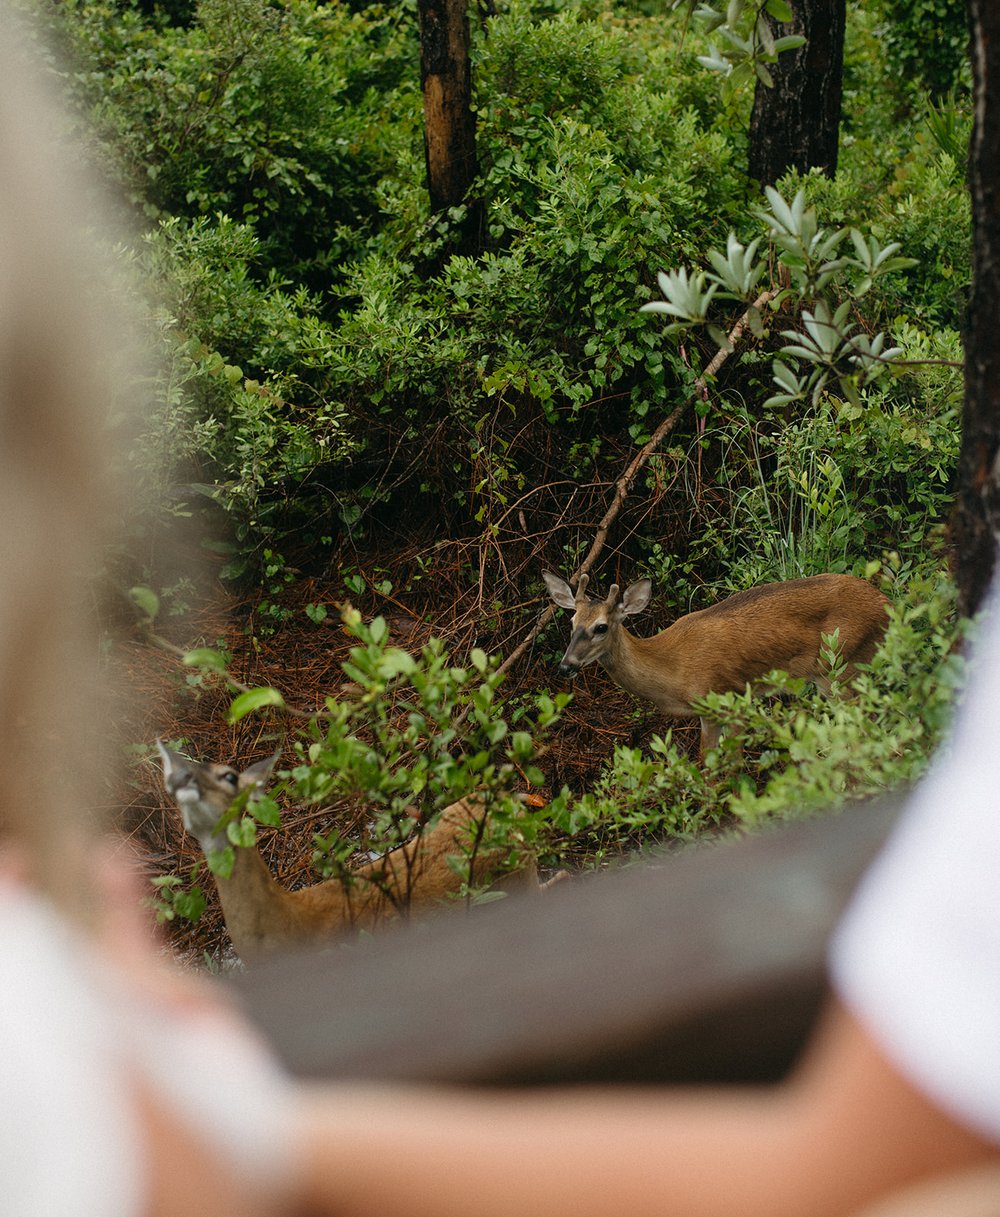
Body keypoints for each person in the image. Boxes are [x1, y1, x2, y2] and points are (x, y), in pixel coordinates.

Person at [1, 5, 998, 1216]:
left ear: (615, 614)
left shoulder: (678, 659)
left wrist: (213, 1122)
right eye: (578, 628)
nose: (584, 642)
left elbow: (840, 1160)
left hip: (827, 630)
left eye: (594, 626)